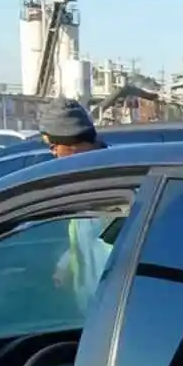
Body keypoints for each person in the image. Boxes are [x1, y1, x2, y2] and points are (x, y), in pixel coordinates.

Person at [39, 101, 115, 310]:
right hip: (93, 313)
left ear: (71, 143)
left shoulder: (116, 181)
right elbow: (87, 238)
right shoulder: (83, 180)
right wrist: (66, 264)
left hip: (112, 312)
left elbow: (117, 249)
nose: (53, 153)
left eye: (54, 146)